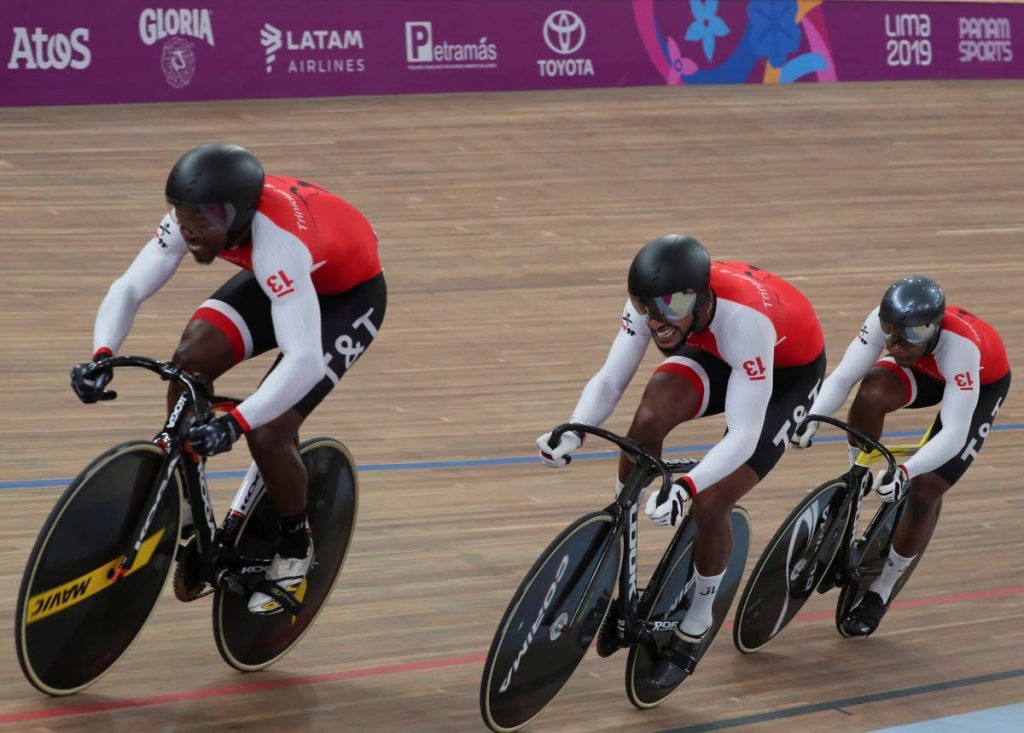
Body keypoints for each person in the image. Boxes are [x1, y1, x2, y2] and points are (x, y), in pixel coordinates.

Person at [69, 143, 386, 615]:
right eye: (182, 215)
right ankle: (194, 505)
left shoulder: (278, 242)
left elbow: (302, 361)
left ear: (239, 214)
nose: (189, 228)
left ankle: (296, 549)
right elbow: (130, 287)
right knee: (186, 367)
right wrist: (100, 354)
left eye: (202, 220)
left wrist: (235, 422)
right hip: (283, 281)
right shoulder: (194, 219)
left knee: (269, 431)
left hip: (347, 296)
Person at [536, 234, 825, 687]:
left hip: (784, 373)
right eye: (649, 307)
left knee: (711, 502)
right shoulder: (655, 308)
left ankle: (698, 619)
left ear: (702, 296)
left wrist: (685, 485)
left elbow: (745, 434)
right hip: (713, 347)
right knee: (650, 413)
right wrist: (573, 427)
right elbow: (611, 377)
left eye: (673, 305)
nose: (659, 320)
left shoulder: (745, 322)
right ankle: (622, 523)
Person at [791, 275, 1010, 636]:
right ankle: (856, 478)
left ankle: (882, 590)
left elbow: (955, 433)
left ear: (935, 328)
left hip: (977, 385)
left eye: (913, 334)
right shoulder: (886, 326)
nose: (897, 343)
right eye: (890, 332)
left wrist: (905, 471)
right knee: (870, 391)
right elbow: (844, 377)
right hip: (925, 371)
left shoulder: (961, 347)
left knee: (924, 489)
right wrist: (809, 418)